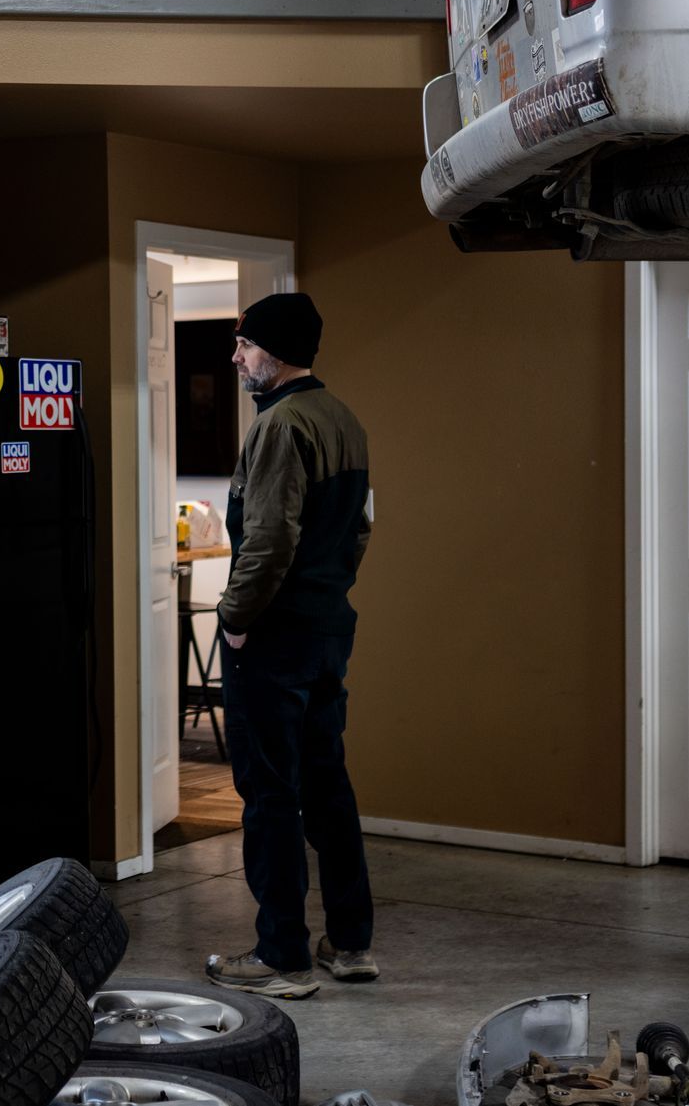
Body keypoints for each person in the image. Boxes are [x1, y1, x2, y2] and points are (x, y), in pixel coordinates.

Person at [204, 293, 377, 1001]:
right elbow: (362, 526)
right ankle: (351, 942)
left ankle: (282, 956)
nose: (237, 356)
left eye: (244, 345)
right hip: (328, 626)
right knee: (326, 784)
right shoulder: (344, 419)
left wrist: (236, 617)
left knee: (270, 795)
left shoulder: (280, 424)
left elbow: (269, 538)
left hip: (274, 634)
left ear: (272, 351)